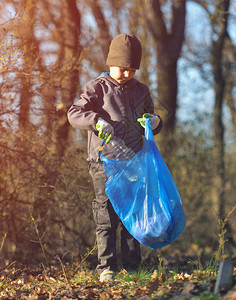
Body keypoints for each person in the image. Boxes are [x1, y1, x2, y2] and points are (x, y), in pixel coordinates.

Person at [67, 33, 162, 282]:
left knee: (132, 214)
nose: (127, 74)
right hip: (103, 162)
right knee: (106, 214)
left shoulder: (141, 90)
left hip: (134, 161)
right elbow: (74, 113)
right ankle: (106, 267)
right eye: (122, 68)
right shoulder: (96, 88)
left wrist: (154, 121)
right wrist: (96, 121)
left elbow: (152, 118)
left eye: (132, 69)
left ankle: (132, 268)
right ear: (111, 64)